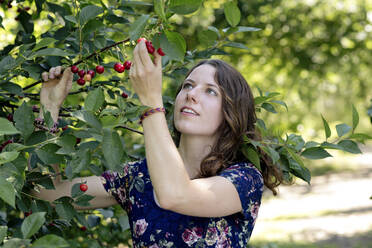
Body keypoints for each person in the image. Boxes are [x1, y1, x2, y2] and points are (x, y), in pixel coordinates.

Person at [32, 40, 283, 247]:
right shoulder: (138, 177)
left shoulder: (244, 178)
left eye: (210, 91)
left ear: (232, 113)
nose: (191, 94)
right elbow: (46, 192)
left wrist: (150, 100)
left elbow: (174, 195)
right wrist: (49, 109)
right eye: (188, 85)